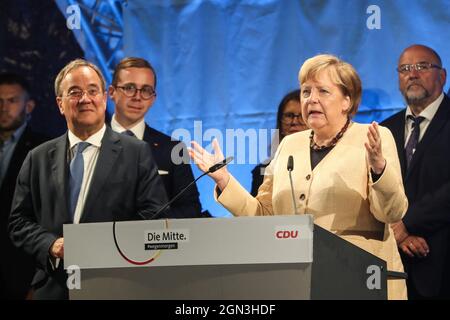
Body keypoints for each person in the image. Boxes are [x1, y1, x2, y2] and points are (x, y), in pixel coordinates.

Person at [190, 54, 408, 299]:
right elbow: (265, 216)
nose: (311, 99)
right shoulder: (289, 145)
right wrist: (224, 181)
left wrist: (379, 169)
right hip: (299, 280)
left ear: (347, 100)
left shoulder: (373, 138)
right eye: (306, 92)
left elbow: (391, 213)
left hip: (361, 280)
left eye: (323, 91)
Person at [8, 59, 168, 300]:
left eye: (93, 91)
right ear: (60, 104)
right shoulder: (37, 157)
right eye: (75, 92)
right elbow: (18, 221)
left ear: (104, 98)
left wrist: (104, 246)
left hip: (115, 286)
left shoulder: (136, 153)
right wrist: (50, 245)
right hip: (53, 288)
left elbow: (155, 218)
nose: (85, 99)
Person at [381, 44, 450, 299]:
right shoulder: (385, 130)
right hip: (393, 265)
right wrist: (397, 233)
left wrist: (406, 223)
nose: (412, 74)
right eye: (405, 69)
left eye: (422, 66)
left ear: (442, 76)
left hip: (441, 259)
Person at [109, 57, 204, 218]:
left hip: (154, 240)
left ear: (153, 98)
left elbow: (190, 208)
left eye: (146, 90)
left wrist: (149, 225)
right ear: (112, 92)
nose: (137, 97)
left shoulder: (173, 149)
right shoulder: (90, 142)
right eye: (129, 88)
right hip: (100, 239)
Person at [0, 72, 48, 299]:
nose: (3, 107)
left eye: (12, 101)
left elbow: (47, 217)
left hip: (19, 271)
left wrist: (38, 280)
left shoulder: (44, 149)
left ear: (28, 106)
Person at [251, 89, 308, 196]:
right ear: (280, 124)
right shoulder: (263, 171)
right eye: (289, 115)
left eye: (301, 116)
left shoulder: (323, 165)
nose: (294, 122)